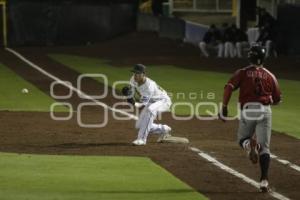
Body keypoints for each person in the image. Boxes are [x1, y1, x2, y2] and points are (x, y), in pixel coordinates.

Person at [219, 44, 281, 192]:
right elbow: (277, 99)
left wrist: (224, 107)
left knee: (242, 139)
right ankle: (264, 180)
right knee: (265, 147)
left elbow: (228, 87)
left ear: (250, 57)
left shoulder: (243, 72)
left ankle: (249, 146)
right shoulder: (271, 75)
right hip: (265, 111)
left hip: (248, 110)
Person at [127, 64, 172, 146]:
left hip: (163, 101)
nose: (135, 75)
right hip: (151, 101)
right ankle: (164, 129)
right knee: (139, 125)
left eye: (137, 73)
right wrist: (129, 96)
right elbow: (131, 91)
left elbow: (141, 106)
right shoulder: (133, 79)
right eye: (134, 73)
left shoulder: (149, 86)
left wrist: (132, 102)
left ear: (143, 74)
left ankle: (141, 139)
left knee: (150, 110)